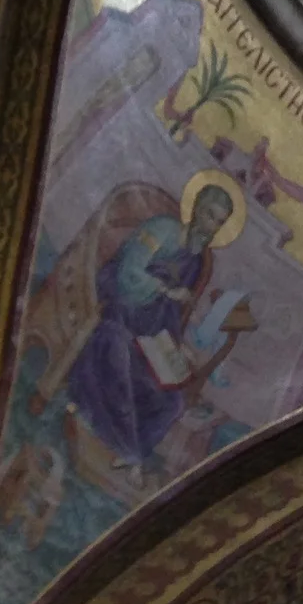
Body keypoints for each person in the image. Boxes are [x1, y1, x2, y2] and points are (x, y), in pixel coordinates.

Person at [61, 180, 237, 468]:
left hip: (148, 337)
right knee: (116, 354)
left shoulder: (195, 261)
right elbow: (126, 273)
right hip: (117, 314)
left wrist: (178, 350)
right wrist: (165, 290)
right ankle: (122, 444)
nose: (211, 227)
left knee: (174, 402)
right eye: (209, 215)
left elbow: (168, 317)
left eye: (219, 222)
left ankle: (127, 451)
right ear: (195, 209)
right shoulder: (163, 230)